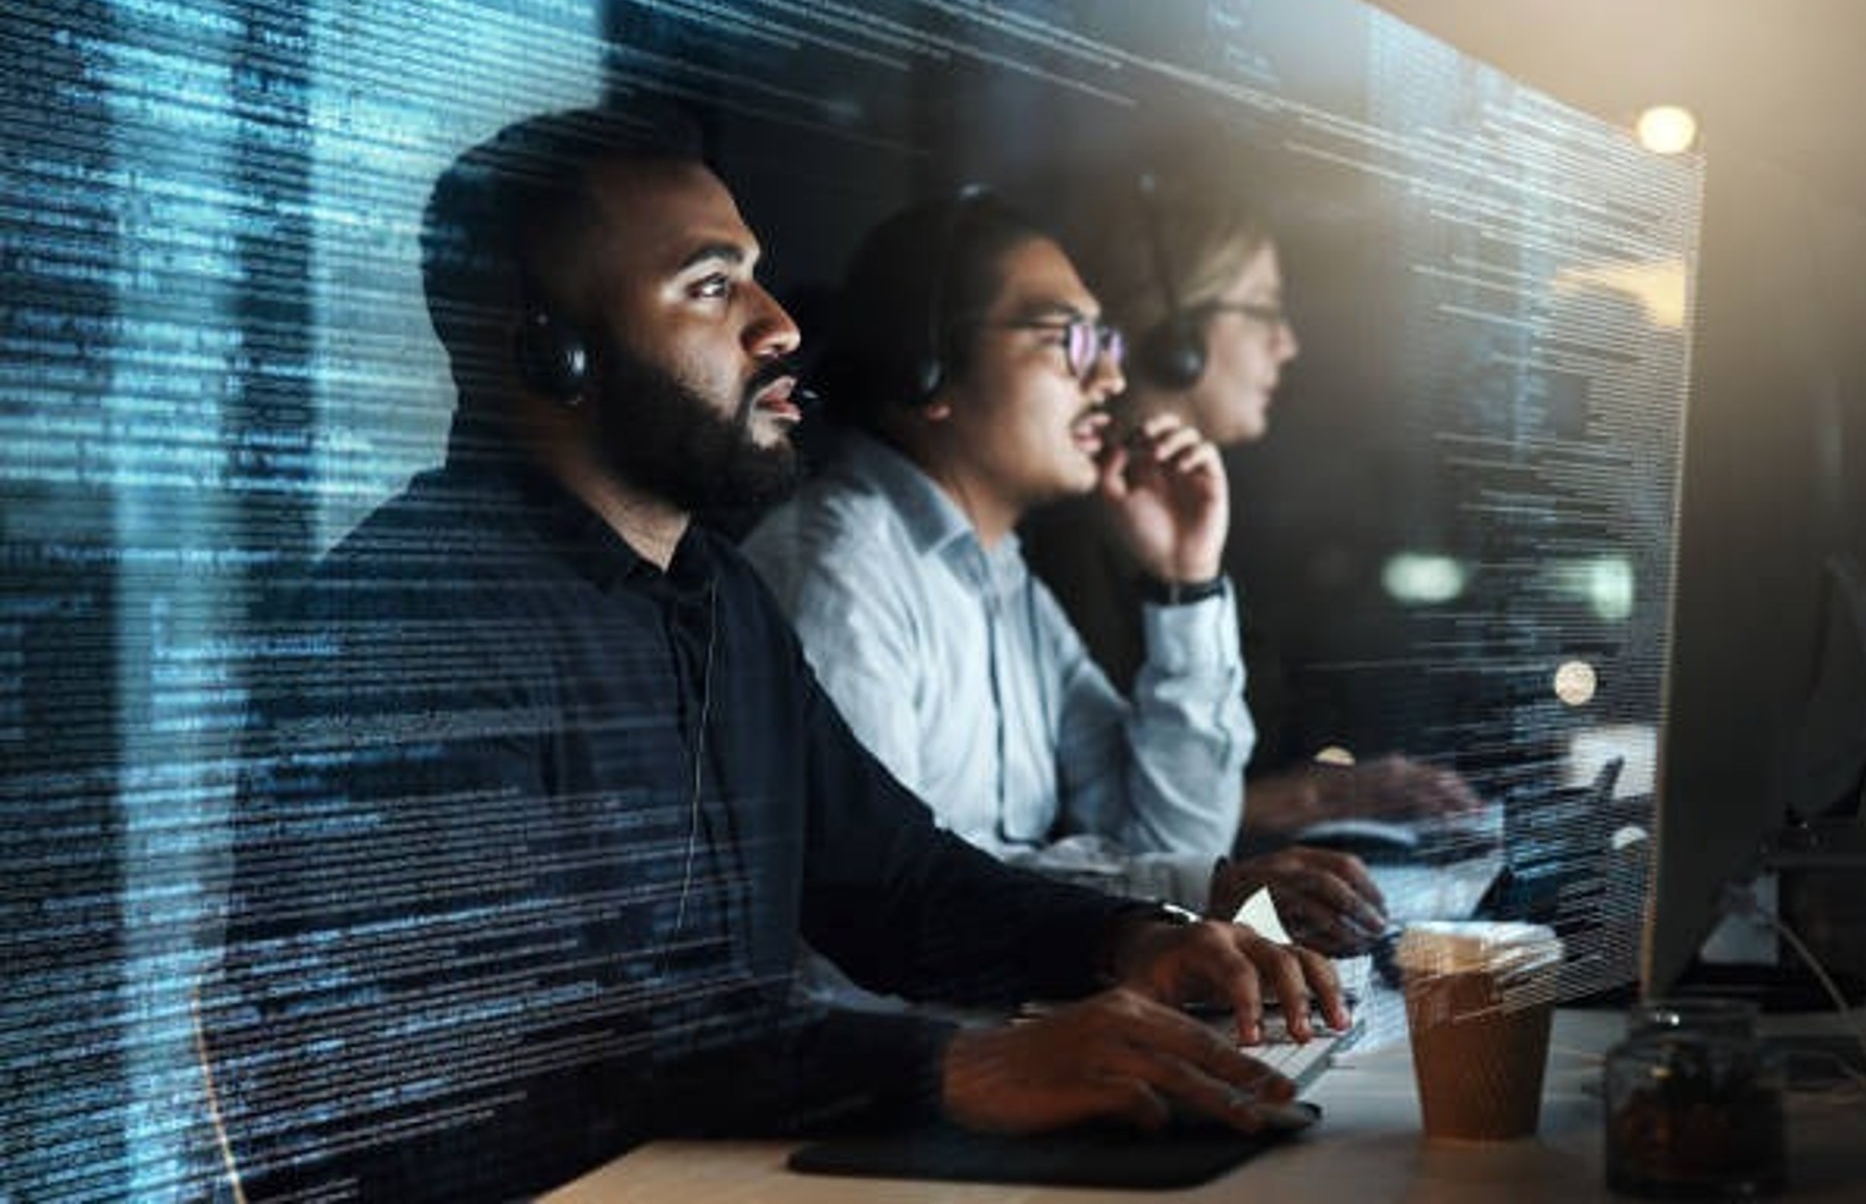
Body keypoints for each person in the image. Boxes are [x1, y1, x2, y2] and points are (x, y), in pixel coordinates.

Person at [206, 108, 1348, 1202]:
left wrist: (1128, 937)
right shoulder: (406, 621)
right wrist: (949, 1071)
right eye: (711, 286)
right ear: (553, 350)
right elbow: (520, 1033)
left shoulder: (718, 599)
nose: (779, 324)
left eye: (754, 272)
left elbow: (892, 880)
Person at [742, 190, 1386, 957]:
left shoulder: (1003, 580)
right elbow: (883, 910)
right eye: (1072, 342)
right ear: (932, 368)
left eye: (1108, 345)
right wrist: (1199, 892)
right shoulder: (840, 573)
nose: (1109, 381)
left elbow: (1169, 832)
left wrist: (1185, 585)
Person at [1022, 174, 1481, 842]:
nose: (1286, 344)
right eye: (1264, 310)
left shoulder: (1191, 514)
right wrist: (1310, 799)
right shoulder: (1074, 536)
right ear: (1177, 332)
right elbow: (1090, 817)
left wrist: (1331, 789)